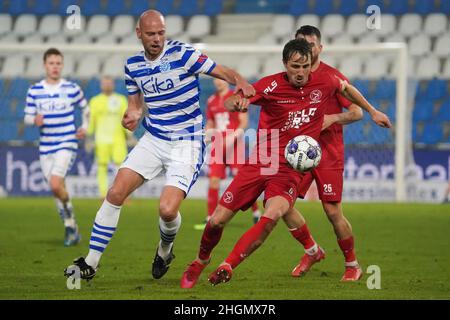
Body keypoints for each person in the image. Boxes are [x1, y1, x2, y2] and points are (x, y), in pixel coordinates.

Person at [180, 38, 391, 288]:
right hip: (263, 158)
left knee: (272, 215)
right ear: (285, 65)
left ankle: (228, 265)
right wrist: (236, 103)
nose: (300, 72)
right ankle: (200, 262)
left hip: (290, 167)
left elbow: (347, 89)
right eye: (295, 67)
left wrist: (372, 110)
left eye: (305, 66)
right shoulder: (270, 85)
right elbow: (231, 101)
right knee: (217, 219)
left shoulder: (326, 80)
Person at [64, 10, 255, 281]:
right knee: (116, 192)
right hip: (154, 140)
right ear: (139, 34)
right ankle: (91, 262)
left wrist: (242, 82)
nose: (157, 39)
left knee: (167, 210)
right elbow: (135, 104)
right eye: (151, 34)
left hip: (187, 142)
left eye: (161, 33)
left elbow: (223, 71)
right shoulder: (132, 66)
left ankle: (165, 250)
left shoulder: (183, 54)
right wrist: (133, 114)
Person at [24, 47, 89, 246]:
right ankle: (71, 227)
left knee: (54, 184)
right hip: (46, 146)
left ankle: (70, 224)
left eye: (58, 63)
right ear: (45, 65)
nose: (55, 67)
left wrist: (84, 126)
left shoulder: (71, 88)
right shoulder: (35, 90)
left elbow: (85, 108)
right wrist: (34, 119)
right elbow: (26, 118)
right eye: (51, 63)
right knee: (57, 189)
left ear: (62, 66)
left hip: (66, 142)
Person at [194, 78, 260, 230]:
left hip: (235, 144)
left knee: (241, 181)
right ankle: (210, 218)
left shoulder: (236, 98)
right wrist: (208, 133)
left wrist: (233, 136)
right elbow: (211, 121)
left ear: (226, 81)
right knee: (213, 181)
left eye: (221, 79)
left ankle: (256, 212)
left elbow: (244, 122)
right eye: (216, 80)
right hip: (218, 144)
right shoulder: (211, 100)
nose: (218, 82)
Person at [88, 76, 130, 198]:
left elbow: (125, 119)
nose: (107, 85)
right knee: (102, 167)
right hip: (101, 140)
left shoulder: (121, 100)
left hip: (118, 139)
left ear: (113, 84)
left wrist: (129, 135)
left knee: (121, 167)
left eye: (109, 83)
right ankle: (103, 195)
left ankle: (122, 194)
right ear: (101, 85)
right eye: (105, 83)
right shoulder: (94, 101)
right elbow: (91, 120)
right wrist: (89, 137)